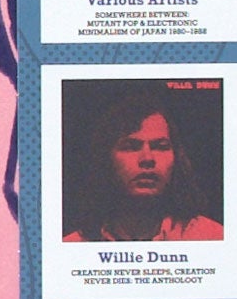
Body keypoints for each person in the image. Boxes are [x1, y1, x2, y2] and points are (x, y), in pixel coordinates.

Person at [63, 90, 223, 242]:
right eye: (131, 147)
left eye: (160, 147)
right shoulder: (73, 247)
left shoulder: (211, 237)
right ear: (106, 159)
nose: (147, 158)